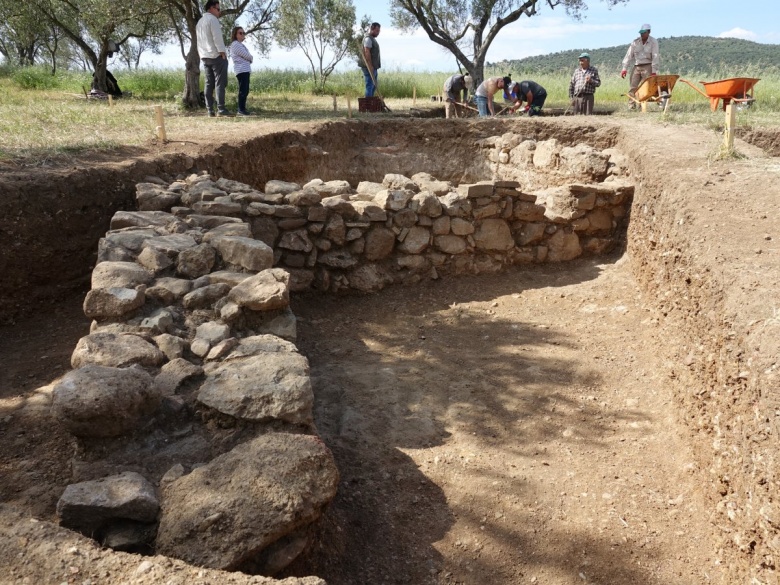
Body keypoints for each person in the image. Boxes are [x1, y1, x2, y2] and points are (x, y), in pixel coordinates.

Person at [197, 0, 231, 117]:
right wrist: (222, 52)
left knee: (208, 83)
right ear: (211, 8)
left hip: (205, 57)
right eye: (218, 9)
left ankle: (210, 110)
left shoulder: (199, 22)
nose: (219, 12)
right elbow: (217, 38)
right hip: (216, 55)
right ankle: (221, 109)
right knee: (220, 83)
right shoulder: (213, 20)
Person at [621, 23, 660, 110]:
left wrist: (654, 71)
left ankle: (641, 106)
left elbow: (655, 56)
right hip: (637, 66)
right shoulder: (635, 42)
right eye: (641, 33)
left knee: (644, 87)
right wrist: (624, 69)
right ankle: (631, 106)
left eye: (644, 33)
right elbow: (628, 55)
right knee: (633, 87)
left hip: (648, 66)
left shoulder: (653, 42)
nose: (642, 34)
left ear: (649, 32)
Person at [229, 26, 253, 116]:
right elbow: (247, 56)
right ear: (235, 34)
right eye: (240, 33)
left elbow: (247, 56)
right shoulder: (235, 44)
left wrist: (249, 57)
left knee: (245, 90)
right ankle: (241, 109)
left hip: (245, 70)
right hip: (241, 70)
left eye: (243, 33)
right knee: (243, 90)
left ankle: (242, 108)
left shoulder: (240, 45)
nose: (242, 34)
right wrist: (250, 58)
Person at [360, 23, 381, 98]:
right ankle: (368, 105)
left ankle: (370, 103)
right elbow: (367, 52)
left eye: (379, 31)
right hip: (368, 66)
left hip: (373, 66)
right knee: (370, 85)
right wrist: (370, 66)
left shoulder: (372, 39)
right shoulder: (368, 39)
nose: (378, 32)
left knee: (374, 85)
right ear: (372, 28)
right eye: (376, 30)